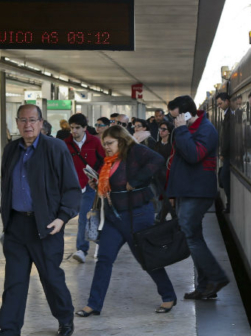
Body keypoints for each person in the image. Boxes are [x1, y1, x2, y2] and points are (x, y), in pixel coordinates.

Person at [75, 125, 177, 317]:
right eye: (104, 144)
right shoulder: (109, 161)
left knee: (146, 258)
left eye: (109, 143)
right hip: (114, 216)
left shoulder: (135, 151)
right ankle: (93, 304)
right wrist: (97, 183)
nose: (106, 147)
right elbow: (115, 184)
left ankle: (169, 296)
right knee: (104, 259)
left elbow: (158, 159)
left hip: (137, 215)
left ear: (121, 141)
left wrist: (137, 180)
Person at [0, 104, 80, 336]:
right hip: (16, 227)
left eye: (32, 120)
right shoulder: (11, 149)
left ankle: (65, 319)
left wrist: (62, 218)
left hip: (46, 226)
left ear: (41, 123)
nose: (28, 125)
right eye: (23, 120)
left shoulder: (56, 148)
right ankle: (8, 329)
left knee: (51, 279)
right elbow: (7, 185)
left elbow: (72, 188)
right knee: (14, 282)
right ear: (17, 123)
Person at [165, 95, 229, 300]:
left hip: (198, 191)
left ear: (185, 114)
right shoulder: (188, 128)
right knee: (193, 235)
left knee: (189, 233)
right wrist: (172, 193)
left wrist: (181, 129)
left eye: (176, 117)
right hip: (186, 189)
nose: (174, 121)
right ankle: (204, 286)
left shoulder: (206, 130)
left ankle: (216, 277)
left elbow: (194, 155)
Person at [64, 113, 105, 264]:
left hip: (90, 186)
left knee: (85, 217)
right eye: (72, 128)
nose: (74, 131)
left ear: (85, 128)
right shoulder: (65, 144)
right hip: (72, 186)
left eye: (77, 128)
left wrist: (98, 176)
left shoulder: (95, 142)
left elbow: (104, 161)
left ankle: (82, 249)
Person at [215, 92, 231, 211]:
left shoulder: (230, 115)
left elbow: (227, 137)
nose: (219, 106)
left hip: (228, 154)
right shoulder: (226, 114)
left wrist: (222, 153)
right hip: (226, 153)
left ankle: (229, 202)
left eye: (220, 103)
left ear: (227, 101)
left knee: (224, 175)